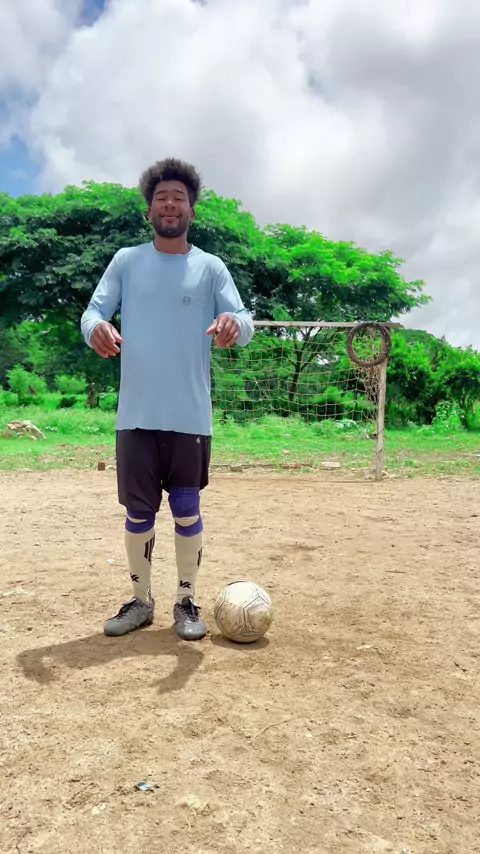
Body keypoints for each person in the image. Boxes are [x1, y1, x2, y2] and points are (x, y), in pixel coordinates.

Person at [80, 157, 254, 641]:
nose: (170, 204)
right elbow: (93, 312)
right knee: (138, 513)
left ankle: (185, 601)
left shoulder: (211, 268)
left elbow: (244, 321)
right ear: (149, 210)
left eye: (179, 198)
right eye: (161, 198)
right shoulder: (126, 261)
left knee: (186, 507)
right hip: (135, 414)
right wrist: (96, 328)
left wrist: (233, 324)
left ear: (192, 211)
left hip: (189, 416)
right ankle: (141, 601)